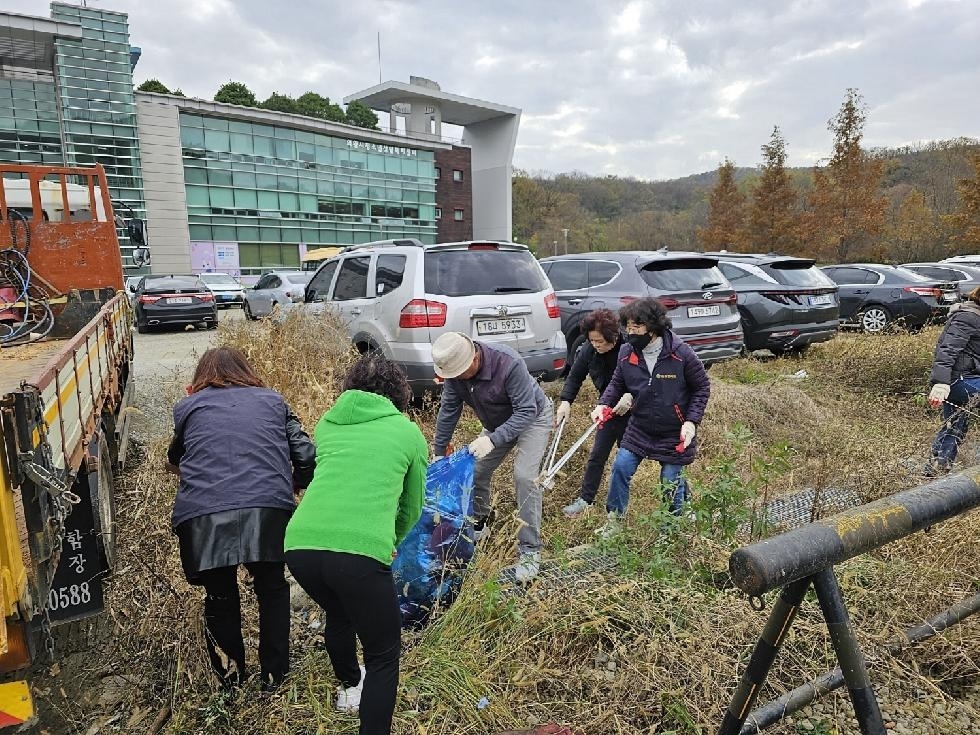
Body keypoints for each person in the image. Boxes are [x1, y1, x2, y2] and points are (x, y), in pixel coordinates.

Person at [284, 354, 426, 735]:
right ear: (399, 392)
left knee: (340, 611)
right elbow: (412, 507)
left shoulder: (328, 425)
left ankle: (349, 687)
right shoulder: (408, 433)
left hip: (300, 546)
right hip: (359, 553)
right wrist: (389, 541)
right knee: (383, 655)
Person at [167, 347, 316, 691]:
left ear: (200, 378)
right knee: (273, 590)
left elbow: (175, 457)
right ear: (247, 371)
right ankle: (274, 679)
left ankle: (231, 683)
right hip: (268, 509)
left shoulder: (189, 407)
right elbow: (307, 455)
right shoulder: (273, 401)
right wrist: (292, 485)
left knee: (220, 596)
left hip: (203, 517)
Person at [431, 331, 553, 583]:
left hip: (533, 418)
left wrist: (492, 439)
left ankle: (530, 550)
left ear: (474, 359)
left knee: (524, 477)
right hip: (498, 424)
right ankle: (481, 524)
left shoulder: (508, 363)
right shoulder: (456, 375)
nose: (456, 379)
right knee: (475, 471)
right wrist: (438, 453)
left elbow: (527, 410)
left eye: (459, 374)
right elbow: (448, 411)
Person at [591, 297, 710, 538]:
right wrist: (603, 404)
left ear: (653, 327)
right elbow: (617, 383)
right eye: (628, 326)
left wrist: (691, 421)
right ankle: (615, 521)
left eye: (637, 326)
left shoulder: (680, 354)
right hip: (641, 427)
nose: (631, 332)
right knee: (621, 467)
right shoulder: (627, 352)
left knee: (670, 480)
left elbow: (702, 387)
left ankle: (671, 528)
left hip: (674, 430)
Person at [556, 309, 629, 517]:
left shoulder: (628, 348)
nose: (596, 345)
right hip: (606, 410)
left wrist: (631, 396)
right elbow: (575, 376)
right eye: (592, 340)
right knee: (597, 455)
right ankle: (585, 500)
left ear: (613, 337)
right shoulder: (589, 350)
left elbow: (643, 379)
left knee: (638, 457)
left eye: (599, 341)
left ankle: (679, 498)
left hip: (634, 409)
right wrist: (565, 402)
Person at [926, 285, 980, 475]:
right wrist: (940, 383)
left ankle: (935, 471)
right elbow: (947, 350)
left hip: (969, 378)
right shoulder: (968, 317)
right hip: (957, 381)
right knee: (955, 423)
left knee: (955, 425)